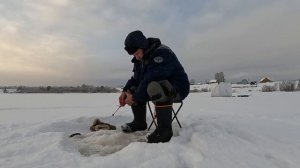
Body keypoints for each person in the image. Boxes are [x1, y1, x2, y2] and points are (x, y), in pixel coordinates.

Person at [119, 30, 190, 143]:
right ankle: (139, 123)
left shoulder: (161, 53)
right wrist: (125, 92)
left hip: (178, 88)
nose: (136, 57)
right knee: (134, 89)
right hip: (158, 86)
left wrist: (134, 98)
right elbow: (136, 79)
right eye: (134, 55)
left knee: (155, 86)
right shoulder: (140, 60)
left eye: (137, 53)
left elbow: (152, 78)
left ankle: (164, 130)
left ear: (142, 46)